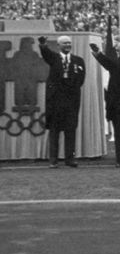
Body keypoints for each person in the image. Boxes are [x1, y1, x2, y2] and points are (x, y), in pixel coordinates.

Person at [38, 35, 86, 168]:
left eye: (69, 43)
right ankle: (53, 160)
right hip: (56, 102)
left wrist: (69, 88)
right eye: (64, 43)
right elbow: (45, 53)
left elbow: (81, 80)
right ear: (58, 45)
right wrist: (43, 45)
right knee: (54, 131)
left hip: (71, 101)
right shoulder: (54, 58)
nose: (67, 45)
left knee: (70, 130)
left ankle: (70, 159)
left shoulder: (79, 61)